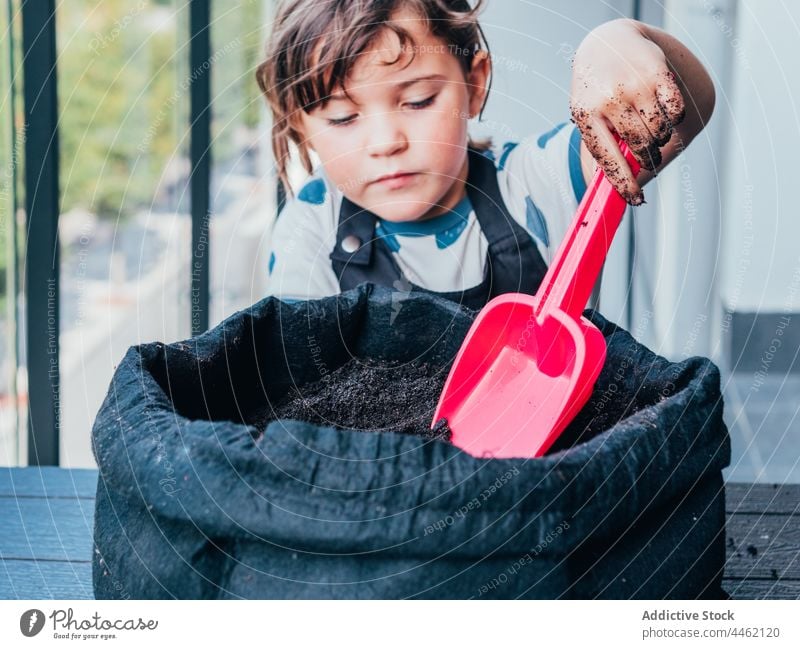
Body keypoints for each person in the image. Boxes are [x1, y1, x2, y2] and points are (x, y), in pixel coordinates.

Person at [257, 0, 714, 308]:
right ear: (301, 125)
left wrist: (620, 40)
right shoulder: (311, 231)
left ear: (474, 85)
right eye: (341, 118)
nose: (385, 142)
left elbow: (684, 114)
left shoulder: (539, 183)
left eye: (417, 101)